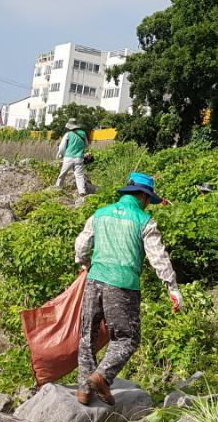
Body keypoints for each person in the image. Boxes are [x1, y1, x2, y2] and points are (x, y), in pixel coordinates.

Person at [74, 172, 182, 406]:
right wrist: (172, 288)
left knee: (87, 335)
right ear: (143, 197)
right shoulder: (144, 221)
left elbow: (82, 244)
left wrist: (83, 262)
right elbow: (158, 258)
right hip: (122, 286)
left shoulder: (100, 214)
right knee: (127, 338)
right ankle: (102, 377)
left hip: (94, 281)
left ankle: (84, 390)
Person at [54, 119, 90, 197]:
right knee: (79, 175)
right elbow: (87, 144)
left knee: (63, 173)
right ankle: (82, 192)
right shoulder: (83, 133)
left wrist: (61, 155)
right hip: (79, 158)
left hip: (68, 158)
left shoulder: (68, 134)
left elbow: (61, 147)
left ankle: (57, 187)